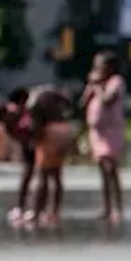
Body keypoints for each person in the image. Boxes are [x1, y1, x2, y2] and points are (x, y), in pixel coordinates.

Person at [83, 52, 126, 225]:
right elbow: (83, 103)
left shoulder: (116, 82)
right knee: (102, 170)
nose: (97, 69)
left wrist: (98, 86)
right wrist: (90, 88)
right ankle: (107, 207)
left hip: (111, 131)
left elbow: (107, 101)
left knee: (111, 169)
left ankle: (118, 208)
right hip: (97, 132)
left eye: (100, 66)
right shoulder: (97, 84)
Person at [25, 86, 75, 228]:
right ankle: (54, 212)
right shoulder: (54, 97)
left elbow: (35, 122)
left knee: (42, 175)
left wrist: (34, 141)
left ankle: (36, 212)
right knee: (57, 175)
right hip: (63, 130)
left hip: (49, 133)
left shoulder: (36, 98)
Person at [0, 87, 35, 223]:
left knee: (29, 177)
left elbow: (11, 130)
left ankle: (25, 208)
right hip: (31, 144)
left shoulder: (15, 111)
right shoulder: (16, 110)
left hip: (30, 144)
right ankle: (29, 208)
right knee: (33, 176)